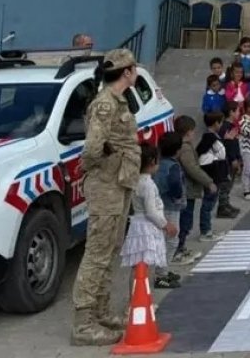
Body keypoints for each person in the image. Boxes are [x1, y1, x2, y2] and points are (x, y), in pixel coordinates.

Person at [70, 49, 143, 346]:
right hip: (106, 185)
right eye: (134, 68)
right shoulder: (104, 104)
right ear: (126, 72)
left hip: (119, 183)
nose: (136, 72)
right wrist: (97, 168)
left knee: (111, 248)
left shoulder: (119, 100)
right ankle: (83, 324)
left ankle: (100, 311)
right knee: (97, 253)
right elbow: (92, 148)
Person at [123, 143, 181, 288]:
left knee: (138, 266)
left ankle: (134, 297)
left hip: (138, 225)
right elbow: (151, 211)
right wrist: (166, 224)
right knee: (144, 266)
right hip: (146, 228)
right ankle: (142, 297)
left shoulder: (136, 180)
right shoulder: (148, 184)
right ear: (153, 161)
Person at [173, 114, 216, 264]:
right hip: (187, 190)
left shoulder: (183, 146)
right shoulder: (185, 148)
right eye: (193, 131)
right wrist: (208, 182)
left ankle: (181, 247)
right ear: (188, 132)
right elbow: (192, 168)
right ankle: (177, 251)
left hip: (187, 189)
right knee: (184, 221)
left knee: (185, 220)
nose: (194, 134)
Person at [154, 134, 186, 285]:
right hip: (170, 206)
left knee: (164, 239)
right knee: (172, 240)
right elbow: (175, 185)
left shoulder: (158, 164)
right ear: (178, 150)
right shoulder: (173, 166)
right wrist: (178, 196)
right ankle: (161, 274)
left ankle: (163, 270)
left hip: (159, 205)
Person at [195, 113, 229, 242]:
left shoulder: (208, 137)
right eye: (220, 122)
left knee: (209, 202)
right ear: (216, 123)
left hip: (211, 172)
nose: (221, 125)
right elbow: (221, 154)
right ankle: (206, 231)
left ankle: (207, 229)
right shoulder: (212, 138)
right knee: (208, 203)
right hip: (213, 173)